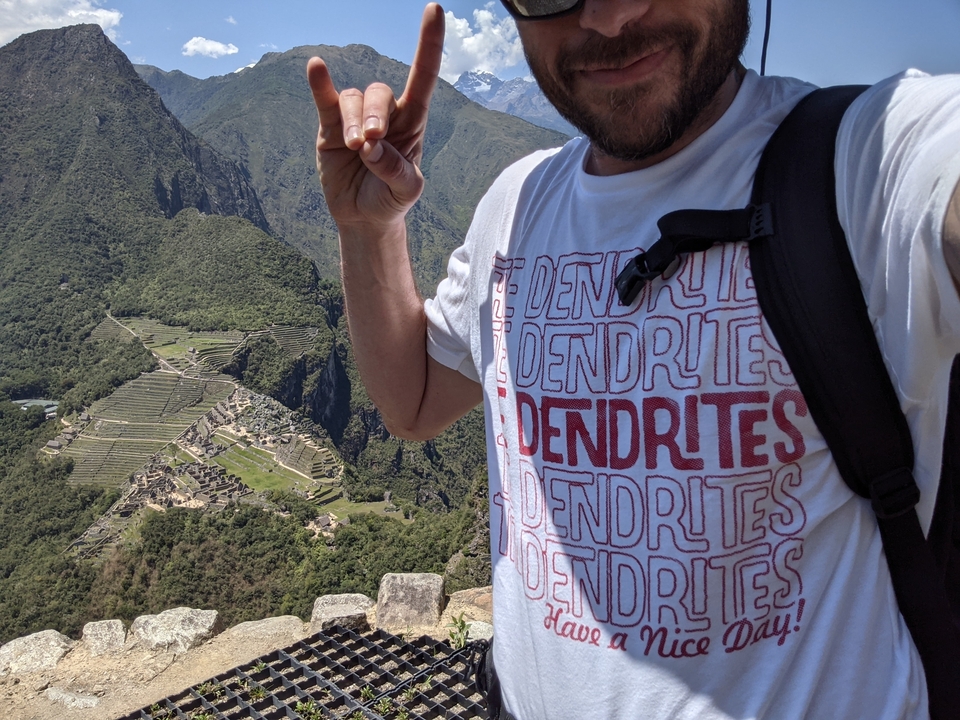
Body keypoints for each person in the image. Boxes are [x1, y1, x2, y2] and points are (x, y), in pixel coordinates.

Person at [307, 1, 960, 717]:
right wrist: (371, 231)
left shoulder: (865, 167)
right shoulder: (515, 205)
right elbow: (414, 399)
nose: (613, 18)